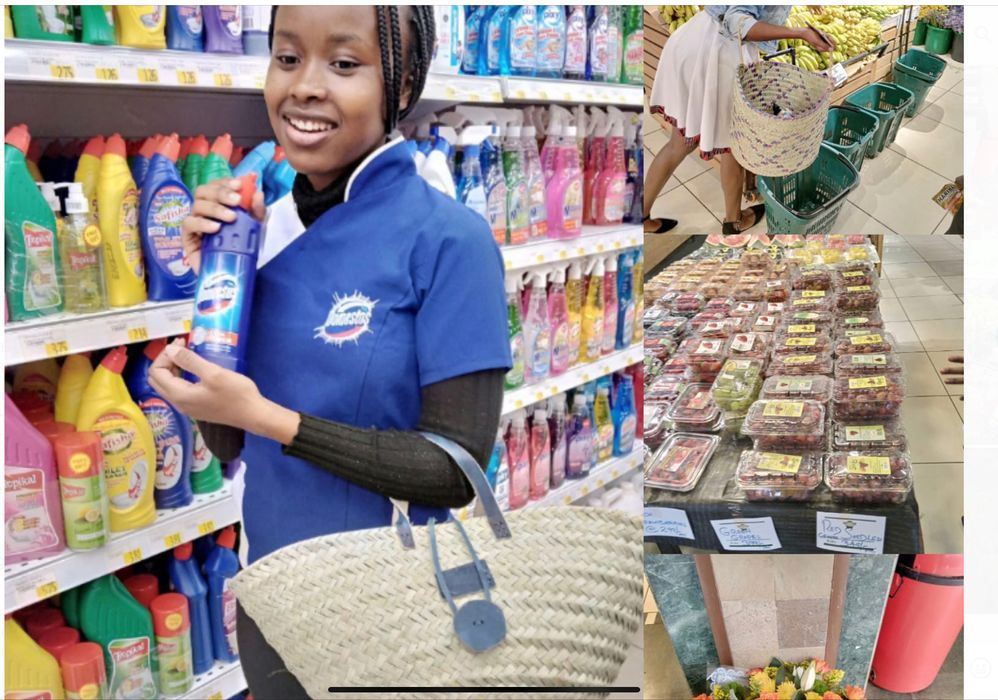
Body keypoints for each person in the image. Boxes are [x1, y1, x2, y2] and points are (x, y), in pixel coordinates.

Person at [148, 7, 511, 697]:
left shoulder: (449, 241)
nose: (306, 87)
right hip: (273, 595)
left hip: (391, 613)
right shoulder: (268, 230)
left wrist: (274, 420)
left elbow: (457, 470)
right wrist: (215, 288)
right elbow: (227, 439)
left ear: (401, 87)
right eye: (288, 58)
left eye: (344, 64)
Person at [645, 6, 835, 235]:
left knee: (680, 142)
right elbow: (737, 21)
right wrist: (800, 33)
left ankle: (641, 216)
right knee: (733, 142)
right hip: (717, 53)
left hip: (695, 39)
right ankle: (733, 221)